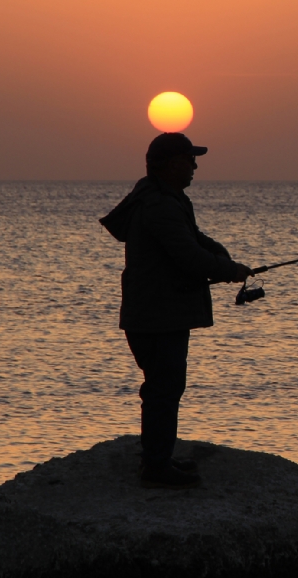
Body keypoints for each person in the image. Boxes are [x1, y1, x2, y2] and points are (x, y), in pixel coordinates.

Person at [99, 132, 251, 488]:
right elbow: (187, 255)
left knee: (164, 387)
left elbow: (194, 239)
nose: (195, 165)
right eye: (188, 159)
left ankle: (158, 457)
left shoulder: (164, 199)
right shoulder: (160, 205)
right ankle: (155, 467)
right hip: (157, 316)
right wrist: (228, 270)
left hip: (156, 312)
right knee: (164, 389)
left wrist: (221, 255)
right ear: (169, 164)